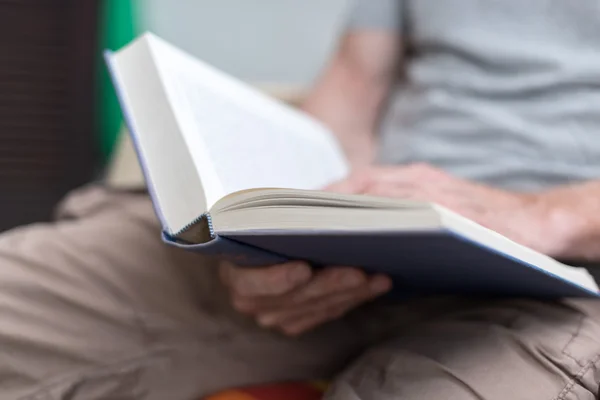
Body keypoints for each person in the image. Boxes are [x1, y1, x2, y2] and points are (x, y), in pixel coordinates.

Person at [2, 0, 600, 399]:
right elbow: (355, 81)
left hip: (568, 276)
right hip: (373, 238)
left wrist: (543, 216)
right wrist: (274, 232)